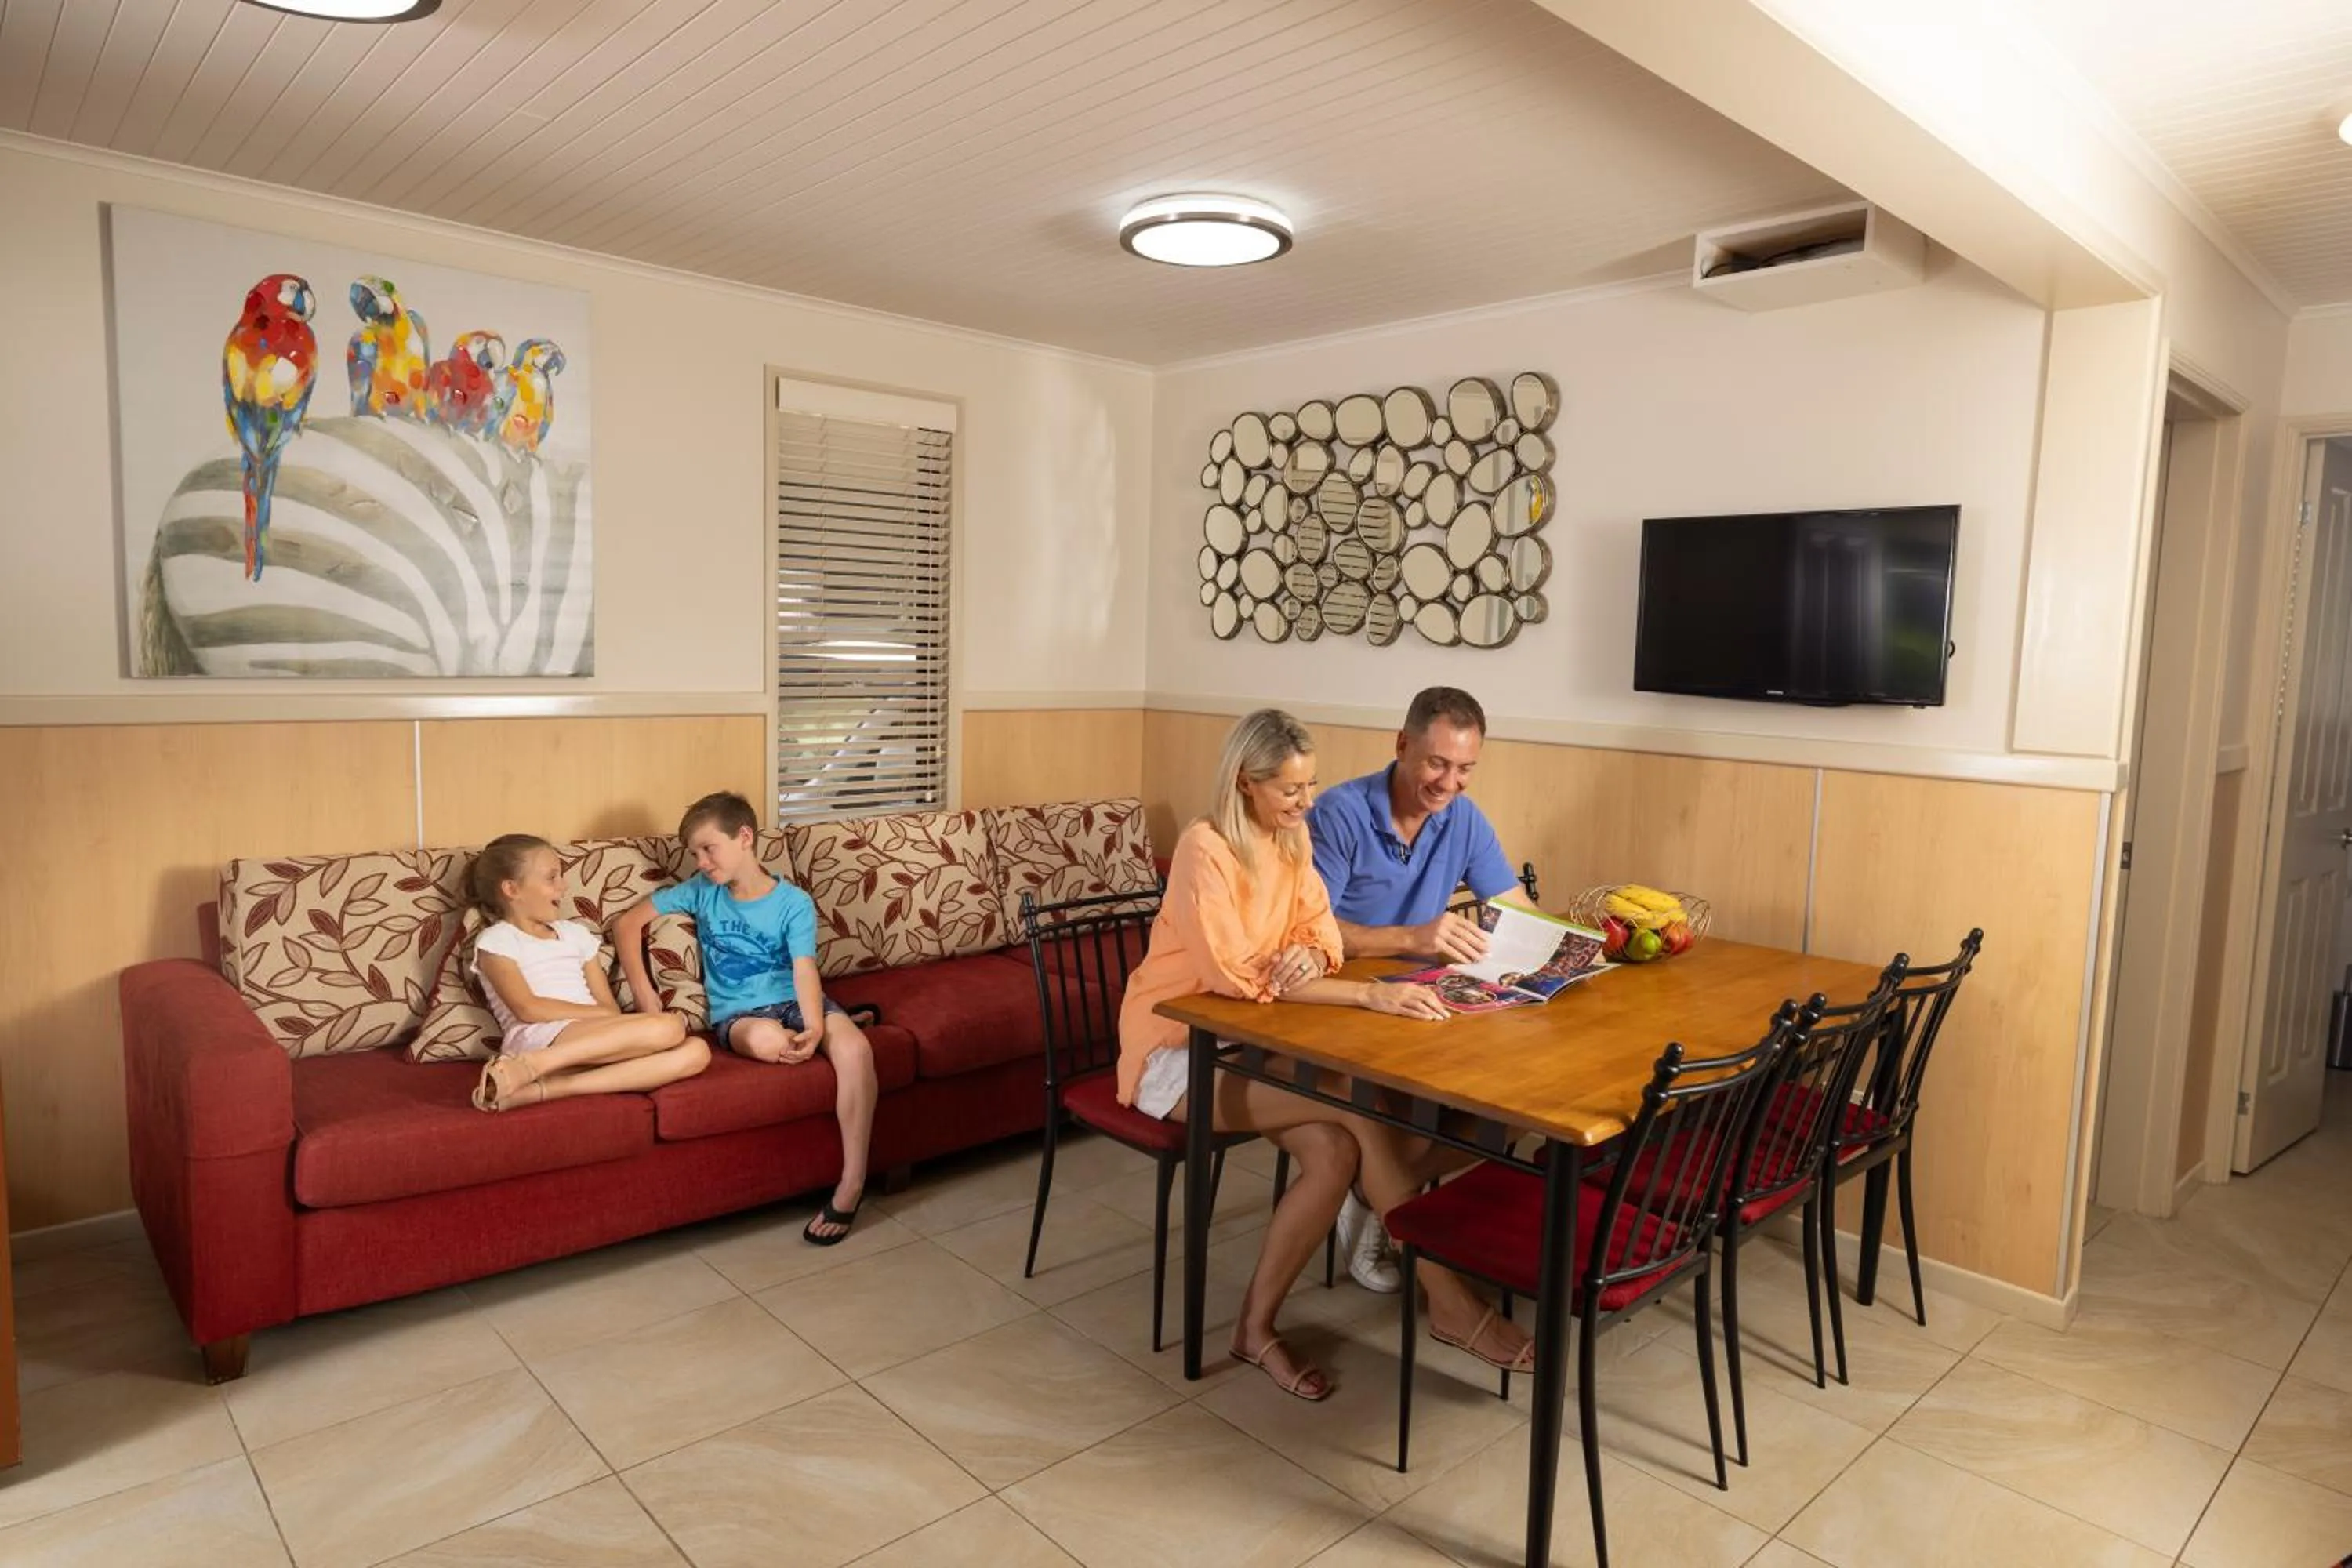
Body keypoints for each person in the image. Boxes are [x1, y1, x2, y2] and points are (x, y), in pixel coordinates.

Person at [1118, 708, 1535, 1400]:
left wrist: (1308, 954)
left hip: (1255, 1041)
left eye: (1310, 787)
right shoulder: (1205, 847)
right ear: (1246, 783)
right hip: (1176, 1051)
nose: (1308, 803)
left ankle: (1254, 1329)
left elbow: (1322, 934)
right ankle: (1448, 1298)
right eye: (1291, 790)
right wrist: (1364, 997)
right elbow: (1231, 973)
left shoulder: (1291, 840)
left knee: (1340, 1150)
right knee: (1357, 1102)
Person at [1305, 686, 1527, 1293]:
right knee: (1385, 1109)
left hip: (1419, 1000)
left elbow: (1516, 911)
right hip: (1335, 1002)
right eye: (1437, 763)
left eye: (1464, 769)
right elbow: (1309, 935)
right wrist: (1413, 936)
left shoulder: (1464, 817)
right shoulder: (1338, 813)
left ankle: (1372, 1195)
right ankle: (1388, 1202)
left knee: (1507, 1114)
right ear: (1402, 745)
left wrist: (1565, 949)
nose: (1449, 783)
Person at [612, 792, 880, 1246]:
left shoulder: (794, 902)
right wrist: (644, 995)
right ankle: (842, 1022)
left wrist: (814, 1026)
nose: (701, 862)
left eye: (708, 849)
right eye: (694, 854)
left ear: (744, 837)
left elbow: (803, 969)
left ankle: (851, 1184)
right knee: (771, 1043)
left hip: (796, 999)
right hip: (740, 1015)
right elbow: (625, 924)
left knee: (856, 1050)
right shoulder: (701, 891)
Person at [466, 834, 709, 1113]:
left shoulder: (575, 935)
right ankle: (530, 1064)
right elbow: (529, 1008)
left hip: (587, 1040)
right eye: (551, 878)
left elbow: (609, 1008)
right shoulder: (497, 939)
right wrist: (602, 1015)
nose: (563, 885)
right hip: (537, 1037)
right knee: (668, 1026)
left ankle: (543, 1087)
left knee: (697, 1052)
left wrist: (605, 1017)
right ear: (512, 889)